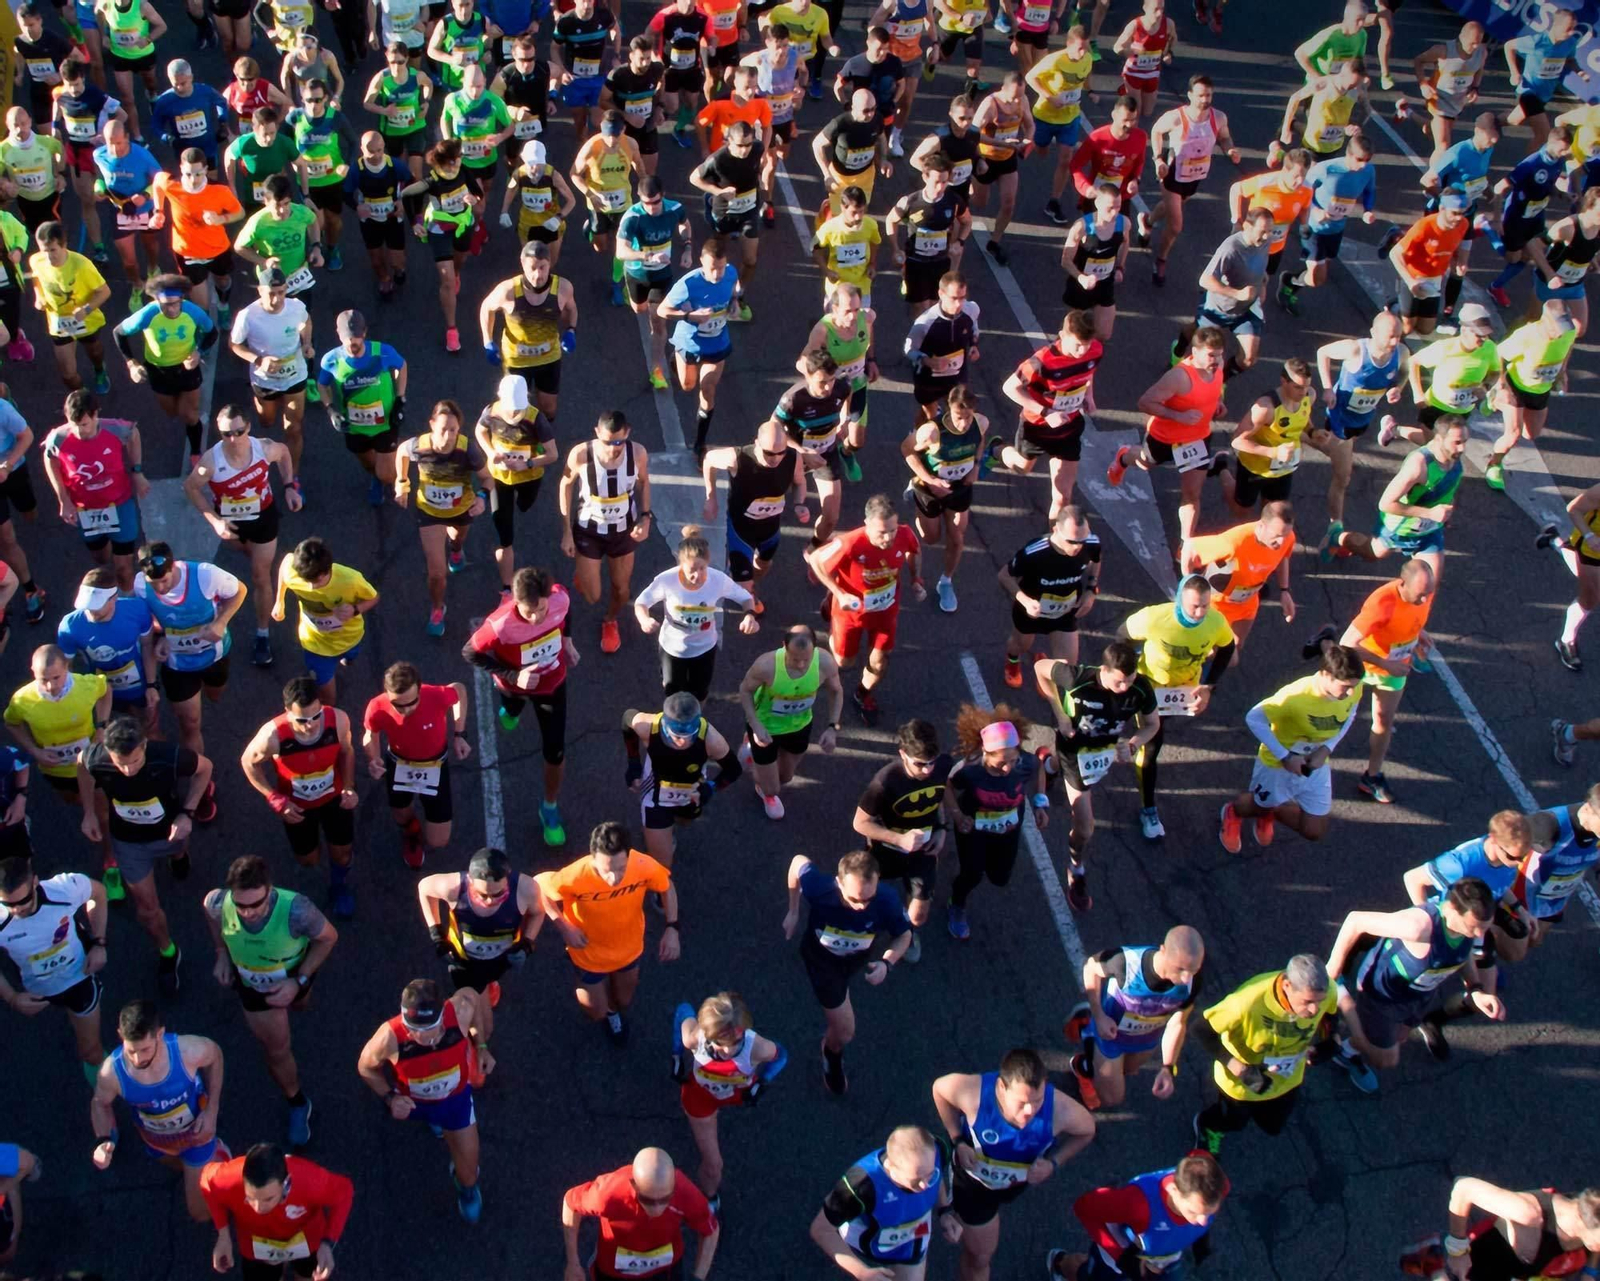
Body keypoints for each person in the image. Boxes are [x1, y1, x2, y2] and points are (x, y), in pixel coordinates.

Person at [204, 854, 336, 1147]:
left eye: (256, 904)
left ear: (270, 890)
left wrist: (299, 981)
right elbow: (211, 915)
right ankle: (298, 1102)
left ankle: (300, 999)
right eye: (241, 905)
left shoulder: (297, 910)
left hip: (293, 976)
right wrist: (221, 953)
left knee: (301, 1004)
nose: (248, 913)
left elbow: (328, 938)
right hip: (253, 987)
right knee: (277, 1049)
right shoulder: (218, 902)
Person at [931, 1049, 1094, 1281]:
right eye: (1022, 1102)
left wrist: (1054, 1163)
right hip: (975, 1187)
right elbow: (939, 1089)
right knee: (979, 1258)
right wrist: (957, 1139)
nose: (1029, 1111)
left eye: (1037, 1101)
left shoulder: (1061, 1109)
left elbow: (1087, 1130)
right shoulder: (974, 1094)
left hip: (1015, 1184)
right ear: (1000, 1087)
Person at [1325, 877, 1499, 1093]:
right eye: (1473, 928)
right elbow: (1356, 921)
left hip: (1418, 996)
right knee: (1386, 1059)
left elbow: (1463, 954)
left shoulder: (1468, 928)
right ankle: (1341, 998)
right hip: (1382, 995)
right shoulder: (1419, 926)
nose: (1479, 935)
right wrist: (1333, 967)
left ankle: (1350, 1049)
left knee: (1400, 1036)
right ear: (1452, 909)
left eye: (1484, 929)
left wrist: (1475, 989)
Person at [79, 713, 212, 984]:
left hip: (169, 831)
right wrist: (89, 812)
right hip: (129, 842)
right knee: (147, 908)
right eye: (121, 764)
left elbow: (205, 768)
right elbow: (80, 765)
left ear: (144, 746)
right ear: (108, 753)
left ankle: (178, 856)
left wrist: (187, 812)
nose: (128, 770)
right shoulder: (96, 758)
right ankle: (167, 951)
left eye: (136, 761)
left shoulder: (167, 755)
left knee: (178, 850)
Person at [1033, 639, 1159, 910]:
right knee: (1086, 826)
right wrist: (1060, 715)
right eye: (1118, 683)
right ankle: (1076, 869)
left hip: (1102, 751)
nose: (1124, 688)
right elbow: (1040, 667)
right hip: (1074, 751)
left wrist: (1134, 743)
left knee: (1058, 770)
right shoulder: (1077, 677)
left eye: (1130, 680)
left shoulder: (1141, 688)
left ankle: (1047, 766)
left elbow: (1152, 725)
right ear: (1104, 669)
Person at [357, 977, 490, 1222]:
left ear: (442, 1016)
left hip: (455, 1103)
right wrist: (389, 1098)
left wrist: (480, 1045)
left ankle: (467, 1189)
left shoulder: (459, 1012)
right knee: (435, 1123)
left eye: (430, 1028)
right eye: (413, 1028)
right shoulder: (389, 1037)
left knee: (469, 1169)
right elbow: (365, 1067)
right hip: (415, 1105)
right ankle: (435, 1125)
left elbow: (471, 990)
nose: (421, 1036)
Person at [537, 821, 680, 1042]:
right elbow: (539, 888)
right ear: (593, 858)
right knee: (595, 1012)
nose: (614, 878)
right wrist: (565, 927)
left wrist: (672, 927)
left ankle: (613, 1011)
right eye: (606, 870)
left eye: (621, 868)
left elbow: (666, 885)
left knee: (623, 1002)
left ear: (629, 856)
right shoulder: (575, 875)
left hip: (628, 950)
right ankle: (603, 1008)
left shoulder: (642, 865)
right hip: (588, 955)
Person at [783, 849, 912, 1094]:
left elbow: (904, 935)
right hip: (823, 963)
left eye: (868, 899)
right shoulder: (819, 888)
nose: (862, 907)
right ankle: (831, 1055)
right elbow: (797, 862)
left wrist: (887, 962)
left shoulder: (886, 900)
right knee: (844, 1032)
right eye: (854, 899)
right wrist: (793, 910)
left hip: (856, 960)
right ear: (838, 883)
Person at [464, 566, 575, 847]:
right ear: (515, 603)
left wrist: (567, 641)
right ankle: (510, 709)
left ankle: (549, 807)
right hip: (514, 685)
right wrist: (514, 676)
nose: (537, 617)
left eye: (540, 609)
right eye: (529, 612)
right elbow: (470, 652)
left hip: (552, 683)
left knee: (555, 750)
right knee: (511, 711)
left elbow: (566, 611)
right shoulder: (499, 624)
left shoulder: (559, 599)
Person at [1119, 577, 1236, 842]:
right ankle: (1148, 808)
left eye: (1205, 606)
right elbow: (1121, 634)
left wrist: (1208, 687)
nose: (1199, 613)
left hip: (1182, 693)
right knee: (1152, 743)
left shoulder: (1215, 622)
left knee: (1156, 732)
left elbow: (1227, 649)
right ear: (1179, 600)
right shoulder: (1155, 618)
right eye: (1194, 606)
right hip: (1149, 689)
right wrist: (1128, 676)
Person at [1218, 640, 1364, 853]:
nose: (1350, 693)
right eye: (1345, 687)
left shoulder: (1355, 687)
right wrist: (1285, 756)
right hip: (1277, 766)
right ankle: (1232, 812)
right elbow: (1254, 718)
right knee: (1256, 806)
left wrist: (1326, 749)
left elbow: (1350, 715)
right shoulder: (1295, 697)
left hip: (1315, 763)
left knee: (1314, 830)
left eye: (1353, 686)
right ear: (1325, 675)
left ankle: (1271, 810)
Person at [90, 998, 224, 1222]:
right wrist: (102, 1139)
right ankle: (196, 1171)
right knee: (176, 1165)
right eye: (131, 1050)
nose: (137, 1059)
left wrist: (212, 1110)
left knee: (199, 1213)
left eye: (144, 1050)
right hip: (155, 1140)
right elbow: (99, 1103)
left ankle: (217, 1157)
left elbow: (216, 1057)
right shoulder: (111, 1072)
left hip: (196, 1135)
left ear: (160, 1035)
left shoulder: (187, 1051)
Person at [187, 405, 299, 668]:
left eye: (239, 431)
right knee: (246, 552)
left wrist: (289, 487)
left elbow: (283, 454)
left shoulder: (263, 448)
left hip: (263, 516)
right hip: (232, 522)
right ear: (220, 432)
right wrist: (214, 521)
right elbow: (191, 487)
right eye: (227, 434)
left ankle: (262, 634)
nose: (234, 439)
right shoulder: (211, 463)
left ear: (248, 428)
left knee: (260, 575)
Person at [1189, 952, 1334, 1155]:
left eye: (1319, 1002)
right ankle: (1207, 1125)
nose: (1314, 1010)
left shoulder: (1326, 992)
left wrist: (1329, 1044)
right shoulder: (1245, 1003)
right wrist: (1238, 1068)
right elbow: (1200, 1030)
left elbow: (1331, 1016)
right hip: (1242, 1084)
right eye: (1308, 1002)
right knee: (1234, 1122)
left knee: (1272, 1126)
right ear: (1287, 986)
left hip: (1287, 1079)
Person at [240, 677, 360, 917]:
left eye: (316, 717)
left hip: (334, 797)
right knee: (308, 860)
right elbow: (248, 762)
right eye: (302, 721)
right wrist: (274, 798)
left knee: (342, 852)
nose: (311, 726)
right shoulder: (273, 735)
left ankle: (338, 886)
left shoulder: (338, 720)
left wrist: (348, 786)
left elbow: (347, 751)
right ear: (287, 713)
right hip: (297, 807)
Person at [807, 493, 924, 727]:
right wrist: (839, 594)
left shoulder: (904, 534)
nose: (889, 537)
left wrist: (916, 580)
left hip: (885, 611)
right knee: (843, 663)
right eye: (882, 532)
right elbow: (817, 560)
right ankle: (830, 605)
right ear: (867, 524)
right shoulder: (850, 543)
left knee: (879, 661)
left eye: (892, 529)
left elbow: (914, 550)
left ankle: (861, 694)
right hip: (850, 614)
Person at [1107, 327, 1227, 547]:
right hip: (1165, 438)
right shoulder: (1179, 377)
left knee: (1192, 494)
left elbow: (1214, 389)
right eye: (1211, 355)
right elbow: (1145, 403)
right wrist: (1178, 416)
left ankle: (1186, 543)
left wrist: (1217, 404)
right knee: (1144, 463)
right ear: (1195, 351)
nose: (1217, 360)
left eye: (1220, 354)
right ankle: (1124, 456)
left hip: (1198, 438)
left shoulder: (1217, 368)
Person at [1065, 924, 1204, 1111]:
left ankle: (1089, 1060)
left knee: (1127, 1071)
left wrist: (1167, 1067)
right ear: (1163, 951)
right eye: (1180, 969)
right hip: (1111, 1036)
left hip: (1145, 1039)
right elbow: (1091, 968)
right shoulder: (1126, 963)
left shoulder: (1192, 982)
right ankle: (1088, 1030)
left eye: (1193, 970)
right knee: (1111, 1099)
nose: (1187, 978)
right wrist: (1099, 1016)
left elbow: (1178, 1022)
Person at [671, 992, 785, 1210]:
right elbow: (683, 1009)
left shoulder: (758, 1046)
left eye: (736, 1042)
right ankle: (709, 1197)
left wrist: (763, 1082)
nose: (728, 1050)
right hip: (700, 1099)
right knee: (714, 1166)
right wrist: (676, 1056)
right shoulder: (695, 1037)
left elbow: (782, 1055)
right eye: (719, 1043)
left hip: (734, 1095)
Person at [849, 718, 950, 962]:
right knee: (865, 900)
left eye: (932, 763)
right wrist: (899, 839)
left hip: (923, 851)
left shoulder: (942, 766)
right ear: (903, 753)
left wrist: (942, 829)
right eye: (920, 764)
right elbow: (859, 823)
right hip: (885, 852)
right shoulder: (885, 783)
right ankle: (859, 934)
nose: (928, 770)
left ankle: (907, 933)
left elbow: (938, 797)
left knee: (917, 916)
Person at [0, 856, 109, 1080]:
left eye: (24, 900)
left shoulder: (64, 889)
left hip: (78, 977)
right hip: (35, 988)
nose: (17, 909)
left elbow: (98, 894)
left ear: (35, 883)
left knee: (90, 1051)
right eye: (8, 904)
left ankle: (105, 1090)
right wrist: (11, 997)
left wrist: (99, 943)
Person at [418, 846, 541, 1041]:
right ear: (469, 881)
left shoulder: (526, 889)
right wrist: (437, 935)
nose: (490, 900)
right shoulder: (454, 887)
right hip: (464, 963)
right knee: (485, 1029)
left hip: (501, 959)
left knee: (492, 976)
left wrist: (527, 943)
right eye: (481, 895)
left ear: (507, 880)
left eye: (498, 894)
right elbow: (424, 888)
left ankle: (489, 984)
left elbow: (537, 913)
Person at [1044, 1150, 1230, 1278]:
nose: (1202, 1221)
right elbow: (1083, 1207)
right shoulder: (1137, 1204)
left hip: (1164, 1256)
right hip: (1124, 1258)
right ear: (1174, 1189)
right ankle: (1060, 1264)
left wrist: (1200, 1239)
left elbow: (1198, 1156)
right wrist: (1123, 1258)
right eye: (1194, 1212)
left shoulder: (1213, 1182)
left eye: (1209, 1213)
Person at [135, 542, 246, 755]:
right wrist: (161, 637)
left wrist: (221, 622)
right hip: (177, 664)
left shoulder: (205, 576)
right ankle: (200, 774)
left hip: (214, 655)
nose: (160, 588)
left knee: (215, 693)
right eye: (153, 583)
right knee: (190, 723)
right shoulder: (140, 585)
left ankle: (207, 691)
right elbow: (149, 621)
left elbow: (239, 591)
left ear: (173, 567)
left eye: (164, 580)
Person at [942, 709, 1044, 939]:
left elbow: (1039, 770)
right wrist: (957, 815)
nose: (1008, 768)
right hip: (973, 829)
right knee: (972, 874)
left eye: (1012, 760)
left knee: (1000, 877)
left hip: (1008, 830)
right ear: (985, 753)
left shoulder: (1025, 763)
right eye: (1001, 763)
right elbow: (946, 784)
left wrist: (1041, 802)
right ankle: (956, 905)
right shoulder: (970, 768)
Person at [1340, 558, 1435, 804]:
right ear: (1403, 584)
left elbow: (1413, 616)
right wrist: (1385, 664)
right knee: (1336, 715)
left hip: (1394, 668)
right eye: (1420, 595)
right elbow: (1347, 643)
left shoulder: (1424, 592)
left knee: (1383, 720)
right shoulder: (1382, 603)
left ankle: (1372, 776)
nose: (1425, 599)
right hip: (1361, 667)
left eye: (1428, 593)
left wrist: (1419, 633)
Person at [1334, 413, 1467, 586]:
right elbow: (1386, 503)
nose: (1463, 448)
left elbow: (1448, 488)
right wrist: (1430, 513)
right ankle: (1341, 539)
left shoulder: (1453, 457)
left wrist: (1447, 509)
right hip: (1399, 526)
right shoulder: (1419, 465)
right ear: (1439, 439)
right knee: (1373, 553)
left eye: (1465, 441)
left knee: (1428, 583)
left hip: (1429, 531)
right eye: (1457, 442)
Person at [558, 409, 652, 654]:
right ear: (597, 433)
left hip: (623, 531)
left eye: (619, 441)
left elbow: (644, 482)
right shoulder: (581, 455)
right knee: (592, 596)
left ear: (627, 433)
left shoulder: (638, 453)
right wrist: (567, 532)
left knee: (621, 589)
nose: (613, 448)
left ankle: (610, 620)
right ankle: (584, 574)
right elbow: (565, 485)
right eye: (608, 442)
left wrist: (645, 517)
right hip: (589, 530)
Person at [1312, 311, 1408, 543]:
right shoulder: (1355, 350)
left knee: (1335, 448)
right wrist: (1326, 387)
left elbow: (1404, 370)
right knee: (1343, 477)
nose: (1395, 342)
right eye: (1391, 336)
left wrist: (1398, 388)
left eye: (1399, 336)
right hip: (1339, 418)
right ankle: (1336, 526)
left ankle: (1305, 434)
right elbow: (1322, 352)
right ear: (1374, 333)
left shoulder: (1401, 352)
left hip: (1364, 420)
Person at [993, 310, 1102, 514]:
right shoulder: (1041, 362)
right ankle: (997, 450)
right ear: (1062, 335)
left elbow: (1088, 373)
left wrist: (1089, 396)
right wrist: (1046, 412)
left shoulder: (1094, 350)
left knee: (1062, 498)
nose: (1082, 351)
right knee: (1022, 467)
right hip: (1037, 428)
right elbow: (1009, 388)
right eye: (1077, 345)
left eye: (1086, 345)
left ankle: (1057, 544)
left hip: (1069, 428)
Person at [396, 399, 489, 637]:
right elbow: (401, 453)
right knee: (437, 573)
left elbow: (488, 479)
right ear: (431, 425)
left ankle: (456, 550)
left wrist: (482, 497)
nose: (448, 436)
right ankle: (438, 608)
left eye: (453, 430)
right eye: (443, 429)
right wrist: (402, 482)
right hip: (430, 512)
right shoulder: (419, 446)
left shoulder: (468, 450)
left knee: (457, 539)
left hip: (461, 509)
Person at [364, 661, 472, 867]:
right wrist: (374, 758)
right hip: (399, 764)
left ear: (420, 689)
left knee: (438, 840)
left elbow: (459, 689)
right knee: (400, 813)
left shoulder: (436, 695)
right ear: (387, 694)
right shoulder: (377, 706)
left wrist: (460, 734)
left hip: (434, 766)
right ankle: (411, 832)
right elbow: (371, 733)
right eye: (398, 704)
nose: (405, 710)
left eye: (411, 703)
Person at [811, 1125, 957, 1274]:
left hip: (912, 1242)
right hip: (867, 1246)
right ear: (890, 1166)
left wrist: (944, 1210)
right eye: (915, 1180)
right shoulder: (861, 1186)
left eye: (930, 1175)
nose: (925, 1185)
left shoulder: (937, 1151)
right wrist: (862, 1272)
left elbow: (936, 1180)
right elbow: (821, 1230)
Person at [701, 418, 810, 614]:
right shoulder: (738, 458)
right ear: (757, 443)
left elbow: (800, 482)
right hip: (741, 529)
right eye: (769, 453)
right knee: (744, 590)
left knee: (763, 564)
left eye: (780, 452)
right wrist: (711, 497)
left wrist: (799, 503)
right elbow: (709, 459)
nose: (775, 458)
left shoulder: (793, 458)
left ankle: (749, 583)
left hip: (770, 529)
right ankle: (746, 589)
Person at [41, 391, 147, 591]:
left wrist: (137, 471)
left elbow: (134, 434)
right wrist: (63, 499)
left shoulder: (115, 429)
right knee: (101, 558)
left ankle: (125, 601)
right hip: (85, 509)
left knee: (124, 569)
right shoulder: (58, 438)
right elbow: (49, 459)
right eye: (73, 424)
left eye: (84, 424)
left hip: (119, 504)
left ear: (96, 414)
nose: (79, 431)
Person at [200, 1142, 353, 1281]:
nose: (258, 1208)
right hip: (255, 1248)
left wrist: (327, 1243)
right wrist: (223, 1234)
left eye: (268, 1199)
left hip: (307, 1241)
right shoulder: (229, 1177)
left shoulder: (309, 1179)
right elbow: (206, 1181)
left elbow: (344, 1192)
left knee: (308, 1276)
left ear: (285, 1185)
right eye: (250, 1197)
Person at [1142, 75, 1242, 286]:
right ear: (1190, 95)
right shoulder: (1177, 117)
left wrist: (1230, 149)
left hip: (1195, 176)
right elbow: (1157, 131)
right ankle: (1161, 259)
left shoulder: (1219, 118)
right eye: (1200, 95)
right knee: (1176, 225)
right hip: (1172, 173)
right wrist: (1158, 158)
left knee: (1172, 207)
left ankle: (1148, 221)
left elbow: (1224, 137)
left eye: (1208, 95)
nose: (1205, 99)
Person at [561, 1148, 719, 1281]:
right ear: (633, 1185)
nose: (657, 1209)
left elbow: (711, 1230)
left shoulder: (684, 1192)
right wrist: (573, 1262)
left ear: (673, 1186)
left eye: (665, 1199)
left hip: (666, 1271)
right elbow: (571, 1204)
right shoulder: (609, 1194)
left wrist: (698, 1277)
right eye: (648, 1200)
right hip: (614, 1273)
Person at [635, 527, 758, 699]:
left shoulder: (717, 580)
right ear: (681, 564)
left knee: (699, 693)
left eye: (702, 568)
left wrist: (750, 615)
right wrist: (644, 619)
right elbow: (641, 603)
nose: (697, 575)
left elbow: (745, 598)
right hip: (673, 648)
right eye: (692, 569)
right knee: (672, 692)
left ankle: (695, 721)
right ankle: (675, 722)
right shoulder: (667, 580)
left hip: (705, 648)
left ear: (707, 563)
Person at [623, 692, 741, 869]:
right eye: (676, 736)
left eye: (689, 736)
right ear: (665, 726)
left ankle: (669, 830)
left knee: (684, 821)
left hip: (691, 795)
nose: (682, 742)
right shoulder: (648, 725)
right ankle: (660, 837)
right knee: (662, 865)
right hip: (655, 795)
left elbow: (734, 769)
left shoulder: (711, 739)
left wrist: (710, 788)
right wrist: (633, 763)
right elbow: (627, 720)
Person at [738, 624, 843, 820]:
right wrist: (755, 725)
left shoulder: (825, 661)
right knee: (772, 788)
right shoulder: (766, 665)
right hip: (766, 728)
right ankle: (761, 780)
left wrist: (832, 727)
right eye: (795, 659)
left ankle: (756, 755)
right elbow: (745, 691)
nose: (802, 665)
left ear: (814, 648)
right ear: (784, 647)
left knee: (786, 777)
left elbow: (836, 691)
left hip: (799, 727)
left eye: (806, 659)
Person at [902, 384, 986, 613]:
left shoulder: (980, 422)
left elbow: (980, 441)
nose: (964, 423)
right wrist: (929, 480)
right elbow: (907, 451)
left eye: (968, 417)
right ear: (949, 409)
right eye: (959, 417)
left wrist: (976, 466)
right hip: (930, 488)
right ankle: (914, 489)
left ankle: (946, 582)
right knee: (930, 537)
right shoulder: (931, 431)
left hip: (960, 487)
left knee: (957, 537)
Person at [116, 275, 217, 464]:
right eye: (165, 305)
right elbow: (119, 333)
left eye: (175, 304)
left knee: (190, 414)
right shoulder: (148, 314)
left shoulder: (192, 312)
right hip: (159, 370)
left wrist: (198, 352)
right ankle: (187, 413)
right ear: (156, 301)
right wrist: (131, 363)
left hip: (187, 368)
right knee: (172, 412)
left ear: (182, 300)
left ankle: (196, 452)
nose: (170, 309)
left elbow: (211, 332)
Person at [479, 242, 579, 426]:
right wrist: (488, 341)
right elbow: (486, 308)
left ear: (549, 264)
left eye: (542, 267)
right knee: (516, 410)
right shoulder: (508, 291)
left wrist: (571, 330)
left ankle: (543, 435)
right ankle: (521, 440)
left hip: (549, 357)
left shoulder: (563, 288)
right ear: (523, 264)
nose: (538, 274)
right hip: (516, 360)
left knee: (548, 407)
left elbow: (571, 309)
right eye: (532, 268)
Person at [998, 505, 1100, 684]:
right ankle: (1012, 661)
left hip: (1065, 612)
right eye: (1072, 541)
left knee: (1068, 667)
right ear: (1055, 530)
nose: (1078, 547)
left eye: (1082, 540)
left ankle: (1044, 673)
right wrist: (1026, 601)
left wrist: (1091, 590)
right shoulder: (1035, 552)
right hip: (1032, 611)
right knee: (1021, 645)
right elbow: (1004, 576)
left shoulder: (1090, 543)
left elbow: (1096, 561)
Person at [270, 538, 378, 705]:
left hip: (350, 637)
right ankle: (330, 717)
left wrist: (355, 609)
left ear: (327, 570)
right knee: (327, 697)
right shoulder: (295, 571)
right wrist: (279, 601)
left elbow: (373, 598)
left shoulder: (350, 579)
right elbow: (285, 563)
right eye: (307, 581)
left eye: (317, 581)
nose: (312, 587)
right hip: (315, 644)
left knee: (351, 655)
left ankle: (348, 658)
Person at [1181, 502, 1296, 659]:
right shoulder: (1233, 542)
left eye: (1285, 535)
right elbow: (1189, 547)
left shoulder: (1288, 538)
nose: (1282, 541)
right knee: (1209, 652)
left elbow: (1284, 557)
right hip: (1216, 605)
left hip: (1247, 603)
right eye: (1276, 535)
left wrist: (1284, 591)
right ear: (1261, 526)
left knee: (1235, 646)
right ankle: (1197, 677)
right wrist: (1188, 586)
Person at [229, 263, 314, 473]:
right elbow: (234, 344)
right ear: (259, 291)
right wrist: (259, 361)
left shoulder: (296, 307)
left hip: (295, 375)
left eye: (281, 292)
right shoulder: (248, 315)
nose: (277, 299)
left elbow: (306, 321)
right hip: (264, 379)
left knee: (293, 428)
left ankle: (292, 476)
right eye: (271, 294)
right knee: (266, 420)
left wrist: (307, 343)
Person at [1485, 299, 1578, 492]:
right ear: (1545, 322)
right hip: (1516, 386)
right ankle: (1494, 464)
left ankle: (1497, 402)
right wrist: (1501, 384)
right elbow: (1498, 354)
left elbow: (1569, 346)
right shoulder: (1527, 335)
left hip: (1540, 389)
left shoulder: (1568, 332)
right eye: (1556, 328)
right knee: (1513, 435)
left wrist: (1563, 371)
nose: (1561, 333)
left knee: (1530, 434)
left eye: (1564, 328)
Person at [6, 643, 111, 811]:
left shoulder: (86, 685)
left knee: (102, 811)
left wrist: (102, 726)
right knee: (71, 799)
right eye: (44, 679)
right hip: (56, 769)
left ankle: (103, 835)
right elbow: (11, 723)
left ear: (67, 667)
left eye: (56, 677)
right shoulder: (21, 700)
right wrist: (34, 751)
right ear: (33, 670)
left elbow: (106, 691)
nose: (51, 686)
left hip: (90, 760)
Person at [660, 238, 739, 457]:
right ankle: (674, 359)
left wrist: (734, 303)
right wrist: (688, 315)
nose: (717, 274)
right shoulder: (688, 284)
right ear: (702, 261)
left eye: (721, 267)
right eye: (713, 268)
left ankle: (699, 444)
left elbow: (733, 289)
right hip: (689, 342)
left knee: (708, 388)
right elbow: (662, 311)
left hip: (717, 342)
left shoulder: (730, 273)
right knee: (687, 386)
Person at [1279, 136, 1377, 312]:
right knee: (1318, 279)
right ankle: (1290, 280)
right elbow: (1303, 190)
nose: (1363, 165)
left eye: (1367, 160)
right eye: (1359, 160)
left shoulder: (1368, 171)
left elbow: (1369, 191)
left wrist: (1368, 210)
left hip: (1336, 228)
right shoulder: (1326, 169)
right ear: (1349, 154)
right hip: (1313, 228)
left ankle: (1293, 282)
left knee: (1319, 271)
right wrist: (1315, 210)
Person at [58, 567, 158, 734]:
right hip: (100, 688)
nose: (91, 611)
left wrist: (151, 684)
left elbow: (147, 646)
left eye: (96, 605)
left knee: (150, 728)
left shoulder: (137, 610)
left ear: (114, 598)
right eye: (87, 605)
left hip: (139, 684)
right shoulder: (70, 626)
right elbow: (66, 667)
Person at [616, 176, 692, 389]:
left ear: (663, 196)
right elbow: (621, 251)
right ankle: (626, 289)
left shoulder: (674, 209)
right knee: (638, 308)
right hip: (636, 273)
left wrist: (687, 247)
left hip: (662, 275)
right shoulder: (632, 217)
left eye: (655, 202)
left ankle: (656, 370)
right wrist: (647, 257)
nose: (650, 207)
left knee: (657, 323)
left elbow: (684, 224)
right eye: (645, 203)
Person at [151, 146, 244, 318]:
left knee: (223, 281)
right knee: (202, 304)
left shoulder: (220, 191)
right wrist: (158, 211)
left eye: (198, 174)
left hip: (217, 249)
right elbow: (157, 181)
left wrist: (220, 219)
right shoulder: (171, 184)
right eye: (188, 174)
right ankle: (207, 331)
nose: (193, 179)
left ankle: (224, 304)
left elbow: (239, 213)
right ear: (181, 169)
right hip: (188, 253)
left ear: (206, 170)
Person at [1485, 126, 1574, 307]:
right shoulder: (1531, 164)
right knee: (1514, 259)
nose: (1566, 153)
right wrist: (1496, 218)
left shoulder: (1557, 161)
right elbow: (1499, 187)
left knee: (1528, 256)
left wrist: (1561, 195)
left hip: (1537, 215)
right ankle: (1487, 228)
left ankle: (1495, 287)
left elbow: (1549, 183)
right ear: (1552, 143)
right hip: (1517, 217)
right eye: (1563, 148)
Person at [1220, 365, 1314, 523]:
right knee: (1242, 511)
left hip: (1283, 468)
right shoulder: (1266, 408)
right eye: (1297, 387)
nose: (1303, 392)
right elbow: (1237, 441)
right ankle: (1221, 468)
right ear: (1284, 381)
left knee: (1273, 513)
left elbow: (1304, 420)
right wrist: (1274, 452)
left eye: (1306, 386)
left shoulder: (1308, 396)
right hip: (1254, 469)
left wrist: (1313, 432)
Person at [29, 219, 112, 393]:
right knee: (67, 374)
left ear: (64, 245)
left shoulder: (82, 265)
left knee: (95, 352)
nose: (49, 256)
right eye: (44, 251)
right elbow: (36, 278)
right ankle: (83, 398)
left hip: (85, 320)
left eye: (53, 250)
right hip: (59, 322)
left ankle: (99, 370)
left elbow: (104, 292)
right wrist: (39, 297)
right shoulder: (36, 261)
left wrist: (86, 310)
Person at [570, 111, 643, 305]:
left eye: (615, 135)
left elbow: (640, 169)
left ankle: (616, 284)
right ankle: (591, 230)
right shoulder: (591, 148)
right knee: (600, 247)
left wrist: (646, 190)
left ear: (623, 130)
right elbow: (574, 174)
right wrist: (590, 194)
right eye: (607, 134)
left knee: (620, 246)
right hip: (598, 205)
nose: (611, 140)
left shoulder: (631, 145)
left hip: (623, 204)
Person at [1192, 207, 1273, 376]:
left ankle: (1220, 383)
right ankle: (1179, 348)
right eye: (1262, 231)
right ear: (1247, 226)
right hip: (1220, 308)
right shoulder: (1230, 249)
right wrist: (1237, 294)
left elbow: (1260, 262)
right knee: (1205, 354)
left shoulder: (1265, 241)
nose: (1267, 236)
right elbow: (1205, 280)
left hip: (1247, 308)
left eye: (1270, 231)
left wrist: (1262, 282)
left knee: (1249, 358)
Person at [886, 154, 967, 316]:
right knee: (920, 308)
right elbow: (890, 220)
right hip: (915, 262)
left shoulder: (953, 201)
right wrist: (895, 249)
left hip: (940, 261)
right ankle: (920, 335)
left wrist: (960, 241)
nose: (940, 187)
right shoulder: (911, 202)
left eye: (944, 182)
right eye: (936, 182)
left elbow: (967, 221)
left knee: (936, 306)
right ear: (925, 177)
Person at [1027, 27, 1095, 211]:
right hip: (1045, 116)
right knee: (1041, 149)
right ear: (1069, 45)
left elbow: (1086, 74)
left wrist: (1090, 90)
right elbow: (1030, 77)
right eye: (1080, 48)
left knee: (1066, 159)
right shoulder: (1055, 60)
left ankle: (1054, 200)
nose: (1083, 53)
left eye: (1086, 48)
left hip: (1070, 117)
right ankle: (1041, 146)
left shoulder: (1087, 58)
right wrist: (1049, 96)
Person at [969, 75, 1031, 263]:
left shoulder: (1023, 100)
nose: (1016, 100)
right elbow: (972, 134)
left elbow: (1030, 124)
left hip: (1007, 157)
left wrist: (1029, 139)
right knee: (980, 203)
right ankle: (962, 188)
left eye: (1020, 96)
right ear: (1003, 89)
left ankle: (994, 242)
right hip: (985, 158)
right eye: (1013, 96)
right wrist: (1000, 143)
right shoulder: (990, 105)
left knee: (1009, 202)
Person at [1504, 5, 1580, 154]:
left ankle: (1491, 123)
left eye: (1573, 29)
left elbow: (1570, 59)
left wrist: (1580, 71)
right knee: (1544, 134)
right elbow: (1509, 46)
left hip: (1544, 94)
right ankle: (1525, 170)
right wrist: (1514, 73)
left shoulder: (1570, 43)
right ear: (1556, 26)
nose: (1571, 33)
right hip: (1528, 91)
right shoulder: (1537, 41)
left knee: (1513, 120)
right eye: (1568, 29)